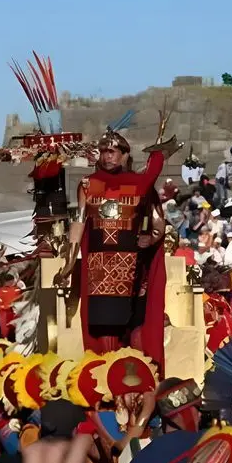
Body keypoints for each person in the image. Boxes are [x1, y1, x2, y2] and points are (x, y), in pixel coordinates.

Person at [53, 114, 181, 370]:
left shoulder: (137, 184)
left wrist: (152, 238)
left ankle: (131, 373)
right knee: (101, 323)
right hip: (98, 263)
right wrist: (69, 262)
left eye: (111, 151)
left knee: (130, 321)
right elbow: (78, 222)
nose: (106, 156)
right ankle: (104, 373)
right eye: (103, 152)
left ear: (124, 154)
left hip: (131, 263)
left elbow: (158, 222)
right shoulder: (88, 184)